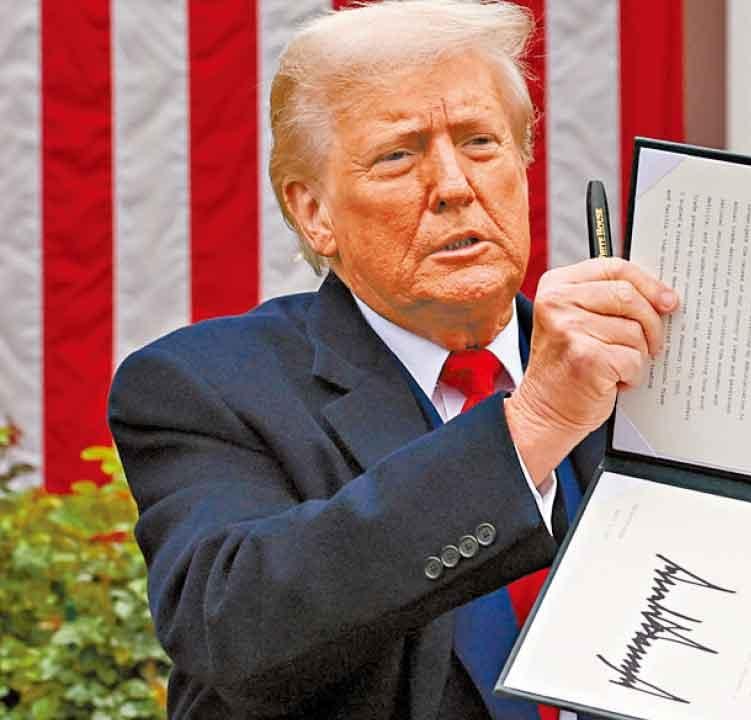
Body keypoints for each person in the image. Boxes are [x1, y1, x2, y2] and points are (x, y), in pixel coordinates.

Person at [107, 2, 677, 718]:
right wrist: (531, 427)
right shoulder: (204, 385)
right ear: (314, 213)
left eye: (480, 142)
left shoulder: (636, 369)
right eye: (398, 156)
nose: (454, 186)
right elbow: (234, 627)